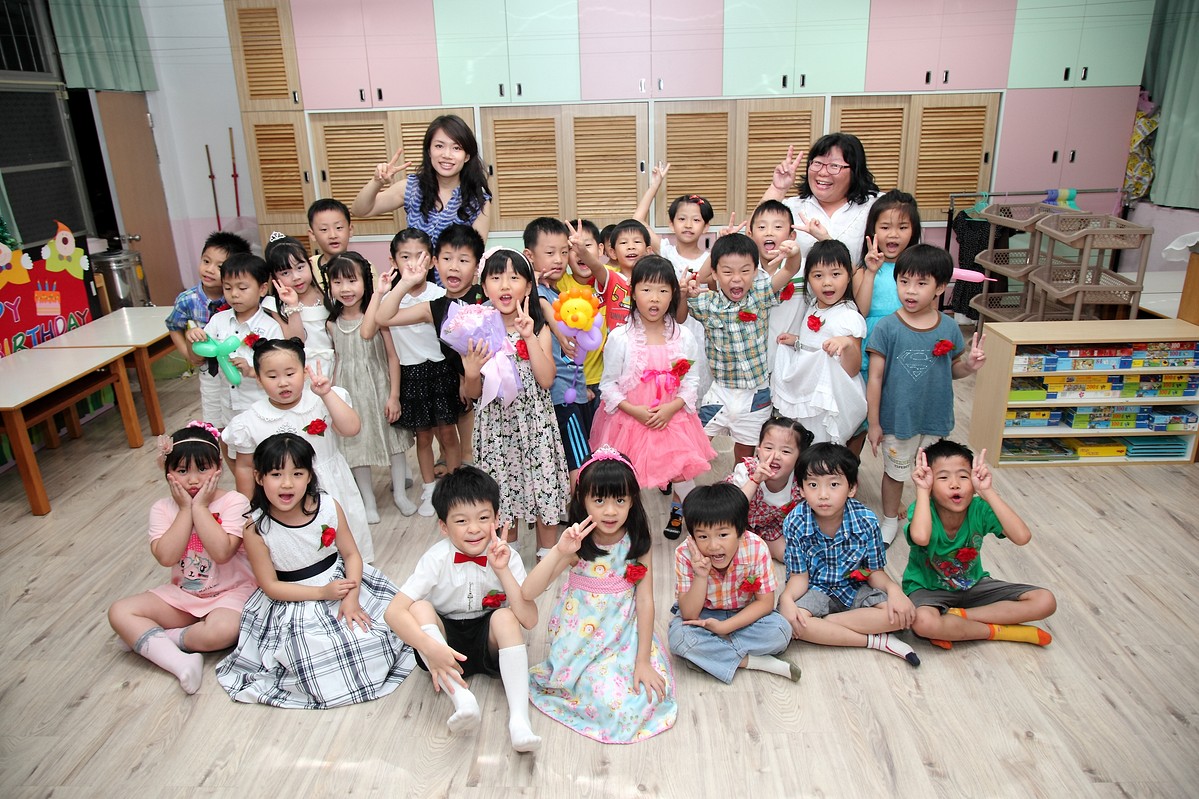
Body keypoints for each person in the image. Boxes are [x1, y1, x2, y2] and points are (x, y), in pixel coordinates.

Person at [215, 434, 414, 708]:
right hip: (293, 599)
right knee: (317, 653)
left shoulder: (328, 506)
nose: (287, 483)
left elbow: (351, 555)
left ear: (309, 476)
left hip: (342, 584)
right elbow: (270, 586)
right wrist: (321, 592)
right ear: (259, 478)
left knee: (380, 632)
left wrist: (351, 598)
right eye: (276, 474)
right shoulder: (255, 528)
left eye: (297, 473)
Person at [522, 447, 677, 743]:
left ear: (632, 500)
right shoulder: (577, 543)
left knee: (642, 696)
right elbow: (528, 592)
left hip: (623, 635)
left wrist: (643, 661)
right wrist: (558, 551)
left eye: (620, 500)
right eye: (599, 500)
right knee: (606, 702)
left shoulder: (637, 541)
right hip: (580, 639)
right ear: (582, 499)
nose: (610, 511)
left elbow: (645, 600)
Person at [383, 466, 541, 752]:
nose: (474, 528)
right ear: (444, 526)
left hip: (489, 643)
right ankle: (462, 700)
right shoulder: (436, 558)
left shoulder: (508, 557)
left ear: (497, 518)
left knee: (505, 616)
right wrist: (430, 648)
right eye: (461, 521)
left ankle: (520, 720)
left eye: (483, 518)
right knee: (419, 607)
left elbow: (529, 620)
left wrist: (503, 570)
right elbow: (393, 612)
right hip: (443, 645)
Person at [107, 422, 256, 694]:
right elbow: (166, 557)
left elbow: (222, 552)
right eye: (182, 471)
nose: (193, 480)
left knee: (223, 631)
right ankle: (180, 662)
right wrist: (186, 510)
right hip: (186, 594)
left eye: (203, 469)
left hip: (232, 592)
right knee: (120, 611)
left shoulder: (234, 502)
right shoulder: (162, 508)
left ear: (218, 468)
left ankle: (155, 640)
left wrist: (200, 507)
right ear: (168, 472)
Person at [865, 244, 986, 545]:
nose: (910, 290)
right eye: (904, 281)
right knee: (895, 473)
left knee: (935, 474)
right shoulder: (887, 327)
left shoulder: (949, 327)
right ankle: (889, 520)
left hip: (934, 419)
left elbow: (952, 369)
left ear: (940, 287)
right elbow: (875, 378)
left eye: (921, 283)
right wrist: (874, 423)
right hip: (897, 421)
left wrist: (969, 366)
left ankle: (931, 519)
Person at [590, 255, 714, 539]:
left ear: (673, 293)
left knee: (682, 474)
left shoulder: (683, 336)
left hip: (672, 418)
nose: (654, 298)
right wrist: (634, 410)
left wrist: (672, 407)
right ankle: (627, 528)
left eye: (663, 290)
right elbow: (608, 385)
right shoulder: (621, 337)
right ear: (633, 293)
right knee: (627, 481)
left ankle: (687, 518)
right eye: (646, 289)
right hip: (630, 420)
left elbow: (691, 381)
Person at [222, 338, 374, 562]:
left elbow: (351, 429)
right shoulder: (250, 421)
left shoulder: (322, 400)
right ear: (259, 379)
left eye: (290, 374)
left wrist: (326, 394)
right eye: (272, 376)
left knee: (346, 548)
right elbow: (245, 467)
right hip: (282, 495)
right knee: (295, 555)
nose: (283, 383)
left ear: (304, 371)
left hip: (330, 488)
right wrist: (249, 508)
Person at [462, 250, 569, 555]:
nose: (505, 285)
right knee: (501, 492)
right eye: (496, 278)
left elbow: (546, 379)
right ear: (484, 287)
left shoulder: (538, 328)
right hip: (496, 430)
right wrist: (471, 372)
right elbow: (473, 393)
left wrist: (529, 337)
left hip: (535, 425)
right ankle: (507, 557)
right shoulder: (476, 331)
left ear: (529, 286)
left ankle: (547, 554)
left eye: (514, 277)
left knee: (542, 486)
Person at [777, 442, 921, 666]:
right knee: (788, 620)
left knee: (901, 615)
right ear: (802, 490)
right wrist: (786, 599)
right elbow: (799, 576)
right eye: (813, 485)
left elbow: (874, 571)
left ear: (852, 488)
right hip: (815, 588)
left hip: (855, 587)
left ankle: (825, 625)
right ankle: (874, 641)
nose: (823, 495)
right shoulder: (795, 521)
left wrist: (895, 591)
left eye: (834, 484)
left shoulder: (866, 520)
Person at [905, 441, 1056, 649]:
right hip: (928, 589)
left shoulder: (980, 509)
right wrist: (922, 491)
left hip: (973, 584)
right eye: (943, 478)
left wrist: (987, 492)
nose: (955, 484)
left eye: (963, 476)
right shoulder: (923, 508)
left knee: (1045, 600)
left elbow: (1022, 537)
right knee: (923, 622)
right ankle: (1000, 631)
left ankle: (956, 620)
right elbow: (921, 537)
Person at [762, 134, 880, 364]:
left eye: (834, 166)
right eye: (817, 163)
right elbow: (755, 233)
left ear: (854, 169)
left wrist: (826, 239)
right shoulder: (793, 206)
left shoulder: (872, 206)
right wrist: (778, 188)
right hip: (799, 314)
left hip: (853, 311)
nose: (823, 172)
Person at [374, 223, 485, 465]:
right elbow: (383, 318)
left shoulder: (484, 294)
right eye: (447, 258)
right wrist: (405, 283)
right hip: (470, 383)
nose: (454, 266)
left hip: (494, 385)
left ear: (477, 266)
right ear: (435, 262)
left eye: (463, 260)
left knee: (478, 446)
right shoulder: (434, 307)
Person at [686, 232, 802, 462]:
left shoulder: (761, 294)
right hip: (720, 391)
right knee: (696, 447)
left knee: (745, 455)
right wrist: (687, 289)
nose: (736, 279)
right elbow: (689, 296)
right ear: (715, 273)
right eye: (727, 272)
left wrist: (795, 254)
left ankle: (738, 483)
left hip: (756, 394)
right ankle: (686, 484)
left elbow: (790, 269)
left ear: (756, 272)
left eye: (745, 271)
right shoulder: (706, 303)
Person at [668, 483, 799, 683]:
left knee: (780, 631)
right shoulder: (685, 553)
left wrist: (725, 627)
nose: (713, 545)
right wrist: (701, 575)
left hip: (744, 614)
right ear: (692, 535)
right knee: (679, 638)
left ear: (740, 531)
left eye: (723, 535)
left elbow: (765, 603)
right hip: (704, 614)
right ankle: (754, 662)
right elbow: (689, 614)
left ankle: (710, 656)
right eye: (702, 536)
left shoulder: (756, 547)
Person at [374, 229, 463, 516]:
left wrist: (462, 378)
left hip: (441, 371)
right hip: (411, 374)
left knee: (448, 434)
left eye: (420, 257)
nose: (413, 264)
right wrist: (394, 395)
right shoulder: (391, 300)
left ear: (433, 261)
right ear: (393, 261)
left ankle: (454, 489)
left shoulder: (440, 296)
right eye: (405, 257)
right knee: (423, 437)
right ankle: (429, 489)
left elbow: (456, 345)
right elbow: (383, 335)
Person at [324, 251, 416, 518]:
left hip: (379, 386)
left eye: (352, 280)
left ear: (365, 281)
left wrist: (394, 395)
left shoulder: (378, 317)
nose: (345, 289)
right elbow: (337, 360)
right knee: (357, 445)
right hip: (349, 390)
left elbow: (392, 357)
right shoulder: (332, 323)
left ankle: (399, 494)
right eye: (337, 282)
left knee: (393, 440)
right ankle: (368, 501)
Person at [772, 239, 867, 444]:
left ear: (849, 277)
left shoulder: (849, 316)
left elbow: (852, 369)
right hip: (808, 386)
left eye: (836, 274)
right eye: (818, 275)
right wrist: (797, 341)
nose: (827, 282)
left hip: (827, 395)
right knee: (801, 440)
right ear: (808, 278)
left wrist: (846, 343)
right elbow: (816, 344)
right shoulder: (814, 305)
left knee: (821, 444)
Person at [351, 114, 492, 251]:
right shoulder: (412, 188)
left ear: (467, 156)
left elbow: (474, 257)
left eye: (456, 148)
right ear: (429, 151)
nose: (447, 155)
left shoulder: (479, 201)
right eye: (439, 146)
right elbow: (360, 210)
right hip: (413, 267)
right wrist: (377, 181)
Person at [526, 217, 595, 483]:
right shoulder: (534, 293)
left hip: (571, 391)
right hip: (559, 396)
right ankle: (580, 507)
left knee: (573, 459)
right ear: (529, 256)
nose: (559, 259)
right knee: (580, 462)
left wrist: (581, 386)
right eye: (550, 253)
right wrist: (558, 331)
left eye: (564, 252)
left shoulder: (557, 293)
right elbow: (541, 303)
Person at [186, 253, 283, 428]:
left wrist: (251, 370)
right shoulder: (218, 320)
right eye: (228, 288)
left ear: (262, 289)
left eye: (242, 288)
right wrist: (192, 338)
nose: (234, 294)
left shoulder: (271, 327)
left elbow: (278, 368)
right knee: (228, 438)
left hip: (258, 404)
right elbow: (198, 356)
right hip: (227, 404)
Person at [164, 231, 250, 426]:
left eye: (219, 266)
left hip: (236, 364)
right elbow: (173, 326)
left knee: (240, 413)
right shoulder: (187, 299)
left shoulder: (237, 298)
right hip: (208, 368)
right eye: (206, 261)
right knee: (213, 413)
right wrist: (188, 354)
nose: (209, 270)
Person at [852, 189, 922, 382]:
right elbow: (861, 312)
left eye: (902, 227)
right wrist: (871, 272)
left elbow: (929, 311)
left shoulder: (920, 271)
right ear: (873, 230)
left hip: (908, 339)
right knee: (872, 389)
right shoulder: (862, 271)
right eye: (885, 227)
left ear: (913, 231)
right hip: (873, 342)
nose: (893, 234)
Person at [725, 416, 813, 562]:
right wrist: (755, 480)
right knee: (725, 548)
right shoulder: (746, 471)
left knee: (788, 555)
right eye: (768, 448)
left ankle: (755, 548)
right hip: (734, 522)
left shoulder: (800, 481)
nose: (775, 456)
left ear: (799, 457)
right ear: (758, 450)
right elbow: (731, 510)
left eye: (785, 451)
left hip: (769, 528)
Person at [266, 232, 334, 378]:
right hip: (301, 370)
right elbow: (296, 341)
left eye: (300, 267)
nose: (296, 277)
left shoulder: (328, 293)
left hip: (333, 366)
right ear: (274, 277)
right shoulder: (275, 305)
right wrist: (292, 305)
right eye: (285, 273)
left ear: (310, 264)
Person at [568, 218, 651, 331]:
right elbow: (595, 266)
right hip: (616, 340)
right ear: (613, 252)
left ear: (648, 251)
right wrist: (583, 252)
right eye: (624, 243)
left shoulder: (653, 280)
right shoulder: (611, 278)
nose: (631, 246)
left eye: (637, 242)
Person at [558, 218, 607, 410]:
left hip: (606, 379)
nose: (579, 252)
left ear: (600, 249)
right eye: (572, 248)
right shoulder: (561, 283)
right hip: (573, 380)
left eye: (586, 246)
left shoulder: (608, 279)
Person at [306, 198, 354, 293]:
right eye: (324, 229)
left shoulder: (364, 266)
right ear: (312, 235)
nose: (333, 235)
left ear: (350, 230)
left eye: (339, 228)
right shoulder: (307, 268)